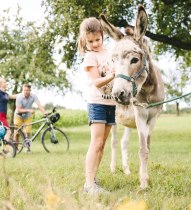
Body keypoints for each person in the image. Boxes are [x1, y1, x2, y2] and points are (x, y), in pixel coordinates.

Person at [77, 17, 116, 194]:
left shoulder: (110, 52)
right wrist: (113, 76)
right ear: (85, 40)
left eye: (97, 40)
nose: (94, 44)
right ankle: (89, 184)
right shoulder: (90, 56)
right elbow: (97, 82)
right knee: (96, 142)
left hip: (111, 103)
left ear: (102, 35)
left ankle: (93, 179)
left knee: (102, 144)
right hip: (97, 103)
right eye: (90, 41)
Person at [14, 84, 47, 152]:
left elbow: (39, 105)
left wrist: (44, 112)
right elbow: (19, 110)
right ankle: (16, 148)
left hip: (27, 117)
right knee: (17, 133)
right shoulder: (19, 97)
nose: (25, 92)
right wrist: (29, 110)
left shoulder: (33, 96)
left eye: (27, 90)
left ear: (30, 90)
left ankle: (27, 148)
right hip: (18, 116)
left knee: (28, 132)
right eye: (24, 90)